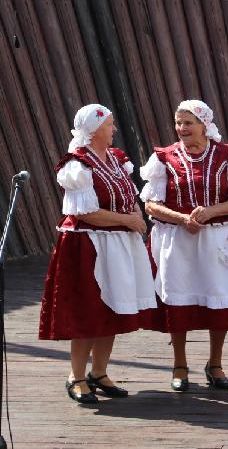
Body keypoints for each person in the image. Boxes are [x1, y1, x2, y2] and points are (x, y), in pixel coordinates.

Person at [39, 104, 156, 403]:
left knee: (113, 307)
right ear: (93, 130)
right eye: (109, 125)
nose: (114, 129)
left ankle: (99, 372)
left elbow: (127, 195)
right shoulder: (77, 166)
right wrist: (128, 221)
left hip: (118, 242)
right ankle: (76, 376)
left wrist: (134, 214)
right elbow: (86, 212)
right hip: (88, 246)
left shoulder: (117, 159)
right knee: (88, 311)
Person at [140, 100, 228, 391]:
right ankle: (180, 365)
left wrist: (209, 212)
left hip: (217, 238)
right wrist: (182, 218)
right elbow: (151, 205)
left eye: (188, 123)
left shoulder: (227, 155)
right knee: (177, 302)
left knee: (218, 299)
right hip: (178, 240)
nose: (181, 128)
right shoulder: (164, 158)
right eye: (178, 123)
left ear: (204, 124)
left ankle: (215, 364)